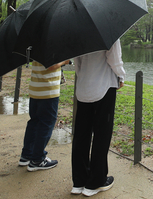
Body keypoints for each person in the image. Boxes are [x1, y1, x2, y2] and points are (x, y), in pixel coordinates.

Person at [71, 40, 125, 197]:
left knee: (81, 135)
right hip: (104, 87)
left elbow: (78, 63)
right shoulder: (109, 30)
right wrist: (121, 75)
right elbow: (114, 58)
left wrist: (84, 78)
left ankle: (79, 181)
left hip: (83, 88)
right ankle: (96, 181)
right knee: (102, 134)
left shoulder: (79, 32)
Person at [20, 59, 70, 171]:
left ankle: (27, 155)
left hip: (35, 88)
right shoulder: (51, 43)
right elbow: (51, 65)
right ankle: (37, 159)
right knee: (46, 123)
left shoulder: (35, 42)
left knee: (34, 121)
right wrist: (64, 62)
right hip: (48, 90)